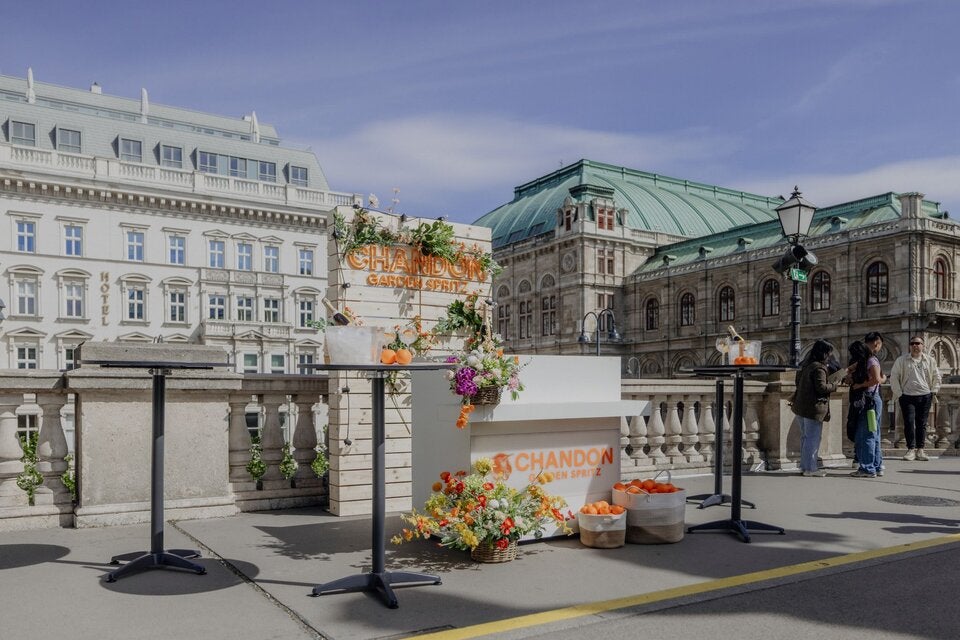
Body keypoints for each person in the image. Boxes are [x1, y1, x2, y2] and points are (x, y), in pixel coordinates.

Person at [889, 336, 942, 461]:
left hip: (925, 395)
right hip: (907, 396)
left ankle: (920, 450)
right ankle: (910, 449)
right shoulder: (901, 360)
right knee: (908, 422)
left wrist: (934, 390)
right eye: (912, 343)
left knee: (922, 424)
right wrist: (899, 393)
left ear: (923, 346)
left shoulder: (930, 360)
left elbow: (936, 376)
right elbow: (894, 377)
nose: (915, 345)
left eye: (918, 343)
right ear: (909, 346)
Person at [791, 340, 838, 477]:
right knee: (813, 438)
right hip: (813, 408)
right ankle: (811, 468)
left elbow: (797, 383)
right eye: (828, 353)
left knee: (806, 438)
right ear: (823, 353)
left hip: (800, 406)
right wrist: (834, 386)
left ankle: (805, 467)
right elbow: (822, 388)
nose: (829, 356)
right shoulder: (819, 368)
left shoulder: (804, 365)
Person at [847, 333, 886, 478]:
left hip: (869, 401)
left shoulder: (871, 361)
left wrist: (860, 385)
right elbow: (881, 377)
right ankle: (875, 465)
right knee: (873, 434)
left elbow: (876, 379)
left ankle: (867, 468)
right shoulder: (866, 361)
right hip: (871, 400)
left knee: (867, 434)